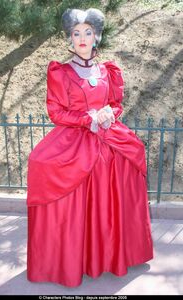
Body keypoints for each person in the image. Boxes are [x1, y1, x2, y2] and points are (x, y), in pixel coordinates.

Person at [26, 8, 154, 288]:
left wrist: (109, 114)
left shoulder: (108, 71)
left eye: (87, 32)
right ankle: (71, 259)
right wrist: (89, 120)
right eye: (76, 33)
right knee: (43, 164)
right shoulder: (60, 72)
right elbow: (56, 112)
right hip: (76, 136)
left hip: (108, 136)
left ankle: (112, 255)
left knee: (128, 158)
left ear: (96, 36)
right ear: (70, 39)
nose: (82, 38)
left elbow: (116, 104)